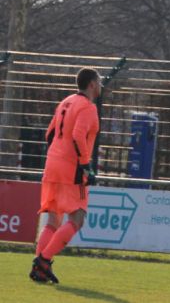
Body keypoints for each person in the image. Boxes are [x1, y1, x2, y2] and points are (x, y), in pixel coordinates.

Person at [30, 68, 102, 284]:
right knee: (77, 218)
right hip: (71, 170)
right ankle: (43, 261)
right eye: (98, 81)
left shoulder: (66, 101)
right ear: (91, 84)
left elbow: (49, 134)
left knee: (53, 218)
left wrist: (57, 157)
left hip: (52, 164)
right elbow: (78, 135)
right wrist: (85, 166)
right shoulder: (88, 107)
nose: (100, 85)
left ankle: (39, 267)